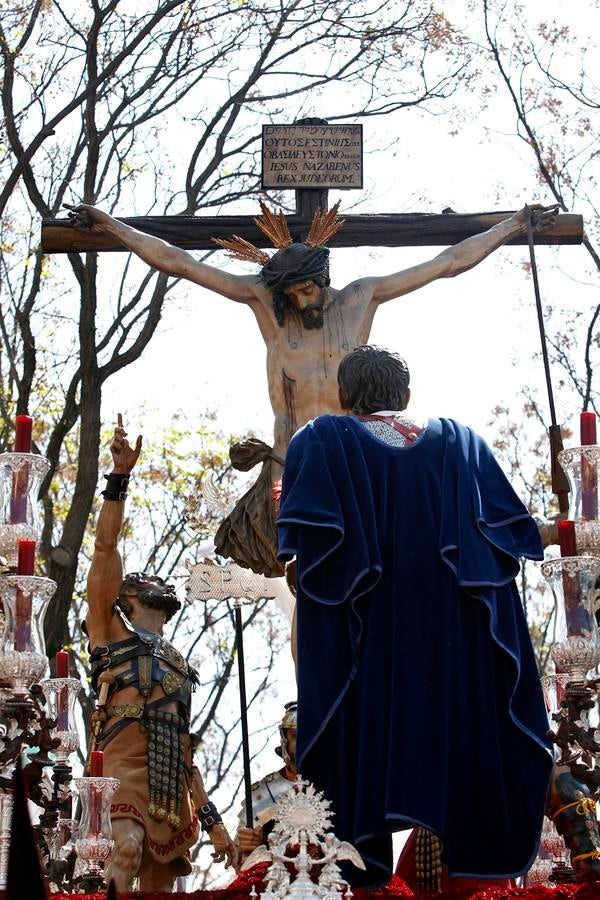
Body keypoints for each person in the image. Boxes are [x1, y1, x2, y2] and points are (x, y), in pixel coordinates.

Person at [66, 200, 558, 576]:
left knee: (374, 572)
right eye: (293, 295)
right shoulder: (268, 307)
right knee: (307, 584)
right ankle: (308, 705)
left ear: (323, 277)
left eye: (308, 289)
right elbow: (179, 262)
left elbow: (448, 262)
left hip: (359, 463)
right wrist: (110, 225)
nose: (302, 301)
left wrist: (513, 225)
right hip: (292, 464)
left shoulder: (361, 297)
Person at [276, 345, 554, 887]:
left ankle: (360, 838)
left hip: (369, 649)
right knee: (467, 747)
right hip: (454, 653)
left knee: (354, 757)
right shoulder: (462, 441)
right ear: (405, 392)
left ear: (344, 394)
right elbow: (507, 536)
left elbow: (299, 543)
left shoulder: (322, 438)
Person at [86, 415, 236, 891]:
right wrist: (119, 478)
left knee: (160, 890)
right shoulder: (111, 631)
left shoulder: (180, 666)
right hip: (122, 774)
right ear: (129, 595)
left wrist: (215, 825)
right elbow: (106, 547)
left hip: (170, 794)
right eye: (149, 579)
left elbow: (187, 752)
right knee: (124, 849)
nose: (162, 581)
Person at [235, 703, 298, 867]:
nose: (303, 743)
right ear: (285, 740)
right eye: (295, 736)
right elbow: (240, 862)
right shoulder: (263, 792)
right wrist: (248, 847)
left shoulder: (337, 787)